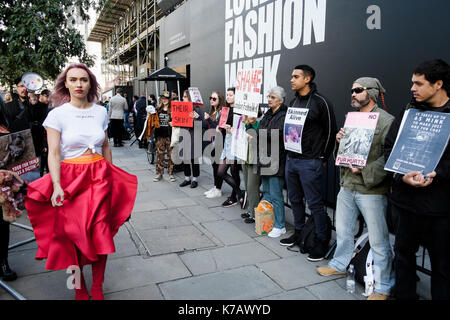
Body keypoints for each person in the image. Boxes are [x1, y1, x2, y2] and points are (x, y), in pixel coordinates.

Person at [24, 63, 138, 300]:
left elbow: (105, 146)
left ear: (91, 84)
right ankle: (78, 286)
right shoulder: (56, 114)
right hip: (71, 181)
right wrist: (56, 185)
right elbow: (53, 153)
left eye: (84, 80)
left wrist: (112, 178)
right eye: (73, 80)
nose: (79, 84)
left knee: (101, 233)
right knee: (72, 238)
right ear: (65, 83)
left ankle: (97, 286)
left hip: (99, 178)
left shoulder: (100, 111)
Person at [317, 77, 395, 300]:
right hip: (348, 185)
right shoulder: (352, 119)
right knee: (343, 230)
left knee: (379, 239)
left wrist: (366, 170)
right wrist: (340, 141)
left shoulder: (387, 121)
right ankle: (340, 264)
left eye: (358, 90)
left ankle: (383, 286)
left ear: (371, 92)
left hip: (371, 190)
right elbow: (342, 155)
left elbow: (388, 156)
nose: (352, 93)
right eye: (352, 90)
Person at [384, 59, 450, 300]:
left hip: (439, 209)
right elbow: (389, 148)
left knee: (442, 267)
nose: (413, 88)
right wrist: (401, 176)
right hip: (406, 204)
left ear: (438, 84)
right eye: (412, 83)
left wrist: (438, 173)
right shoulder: (407, 112)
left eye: (419, 83)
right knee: (403, 256)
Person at [281, 65, 338, 261]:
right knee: (295, 199)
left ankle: (321, 241)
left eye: (296, 76)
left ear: (307, 79)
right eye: (292, 76)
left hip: (310, 162)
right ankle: (299, 232)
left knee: (315, 203)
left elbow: (331, 131)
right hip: (292, 159)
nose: (291, 79)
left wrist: (323, 157)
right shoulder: (294, 100)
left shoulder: (321, 102)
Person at [257, 87, 288, 236]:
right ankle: (269, 221)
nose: (269, 99)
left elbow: (276, 134)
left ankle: (280, 225)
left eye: (273, 97)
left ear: (281, 100)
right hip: (265, 157)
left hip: (277, 159)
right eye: (269, 96)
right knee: (267, 192)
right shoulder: (268, 113)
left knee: (276, 194)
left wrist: (262, 132)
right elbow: (261, 129)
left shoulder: (284, 115)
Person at [216, 87, 244, 208]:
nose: (228, 97)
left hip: (236, 143)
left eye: (231, 95)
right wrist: (219, 127)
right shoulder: (225, 110)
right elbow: (221, 125)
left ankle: (234, 197)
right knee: (221, 172)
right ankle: (239, 193)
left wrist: (232, 129)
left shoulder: (240, 110)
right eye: (227, 95)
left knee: (234, 170)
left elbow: (242, 128)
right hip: (227, 143)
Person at [179, 90, 204, 188]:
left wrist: (194, 119)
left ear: (189, 98)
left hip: (194, 135)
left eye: (185, 96)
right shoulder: (181, 108)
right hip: (184, 134)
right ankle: (187, 178)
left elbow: (200, 124)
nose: (183, 98)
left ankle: (195, 178)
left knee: (194, 157)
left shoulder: (196, 109)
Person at [203, 91, 225, 198]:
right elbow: (207, 126)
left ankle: (218, 189)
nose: (211, 100)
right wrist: (199, 117)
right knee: (214, 166)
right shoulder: (213, 111)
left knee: (218, 167)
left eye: (214, 98)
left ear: (219, 100)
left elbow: (218, 127)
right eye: (210, 98)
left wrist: (209, 120)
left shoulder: (222, 112)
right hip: (212, 142)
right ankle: (215, 187)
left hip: (219, 143)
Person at [241, 111, 261, 224]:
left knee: (252, 187)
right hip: (245, 157)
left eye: (253, 114)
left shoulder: (259, 124)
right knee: (248, 185)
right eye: (248, 114)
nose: (251, 117)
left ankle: (254, 214)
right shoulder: (245, 123)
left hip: (254, 159)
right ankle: (250, 210)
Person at [153, 91, 175, 182]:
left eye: (166, 98)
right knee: (160, 155)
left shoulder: (173, 109)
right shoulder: (157, 109)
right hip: (160, 136)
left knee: (171, 156)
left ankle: (171, 174)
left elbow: (177, 121)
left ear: (169, 99)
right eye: (163, 98)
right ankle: (159, 174)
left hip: (170, 136)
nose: (164, 100)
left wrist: (174, 123)